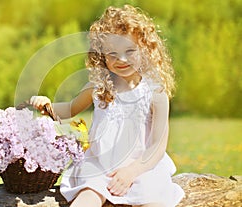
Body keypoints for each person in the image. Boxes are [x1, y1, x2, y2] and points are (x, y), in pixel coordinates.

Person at [30, 5, 184, 207]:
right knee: (88, 196)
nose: (121, 59)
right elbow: (70, 109)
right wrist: (47, 106)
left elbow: (157, 146)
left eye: (130, 51)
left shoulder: (155, 93)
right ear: (102, 55)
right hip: (101, 166)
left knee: (154, 199)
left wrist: (132, 172)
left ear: (146, 49)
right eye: (112, 53)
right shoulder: (99, 87)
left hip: (142, 168)